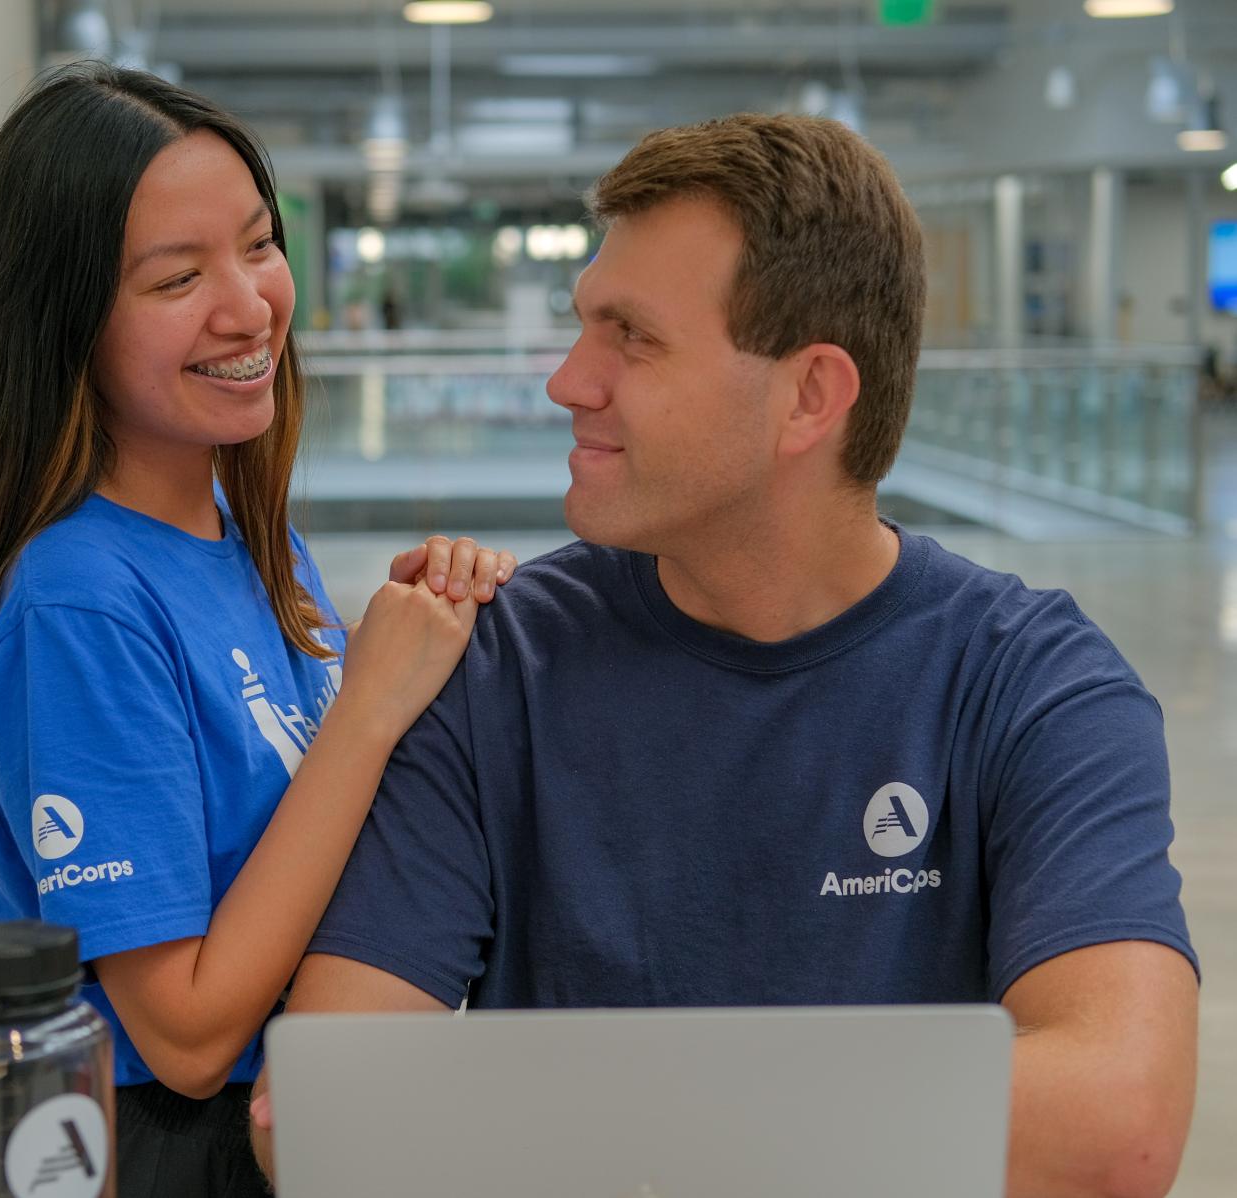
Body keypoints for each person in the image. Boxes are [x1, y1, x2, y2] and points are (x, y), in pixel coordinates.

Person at [252, 114, 1200, 1198]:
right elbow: (319, 1123)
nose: (568, 380)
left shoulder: (1034, 687)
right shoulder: (495, 661)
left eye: (632, 338)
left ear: (811, 396)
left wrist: (550, 1115)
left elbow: (1116, 1128)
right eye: (583, 328)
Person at [0, 64, 515, 1196]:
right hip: (145, 1147)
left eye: (259, 244)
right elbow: (182, 1032)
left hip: (277, 1125)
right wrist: (370, 706)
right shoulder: (79, 601)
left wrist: (421, 632)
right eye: (179, 276)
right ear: (64, 323)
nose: (248, 305)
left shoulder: (244, 535)